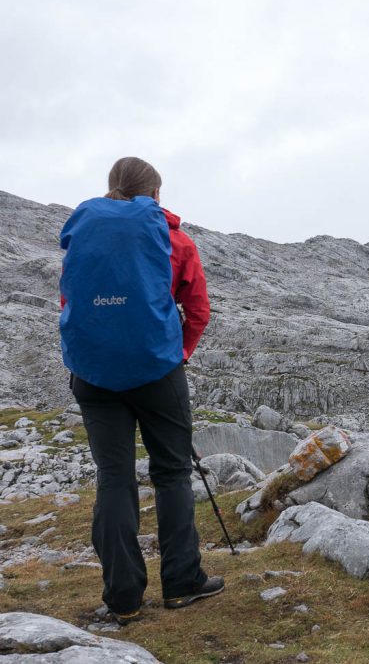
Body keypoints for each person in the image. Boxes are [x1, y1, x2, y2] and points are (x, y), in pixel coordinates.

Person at [59, 156, 224, 624]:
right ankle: (182, 582)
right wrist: (178, 354)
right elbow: (198, 311)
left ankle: (124, 597)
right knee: (171, 472)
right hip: (158, 373)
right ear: (155, 195)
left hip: (93, 377)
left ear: (110, 188)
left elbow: (70, 304)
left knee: (114, 478)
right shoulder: (174, 241)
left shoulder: (84, 243)